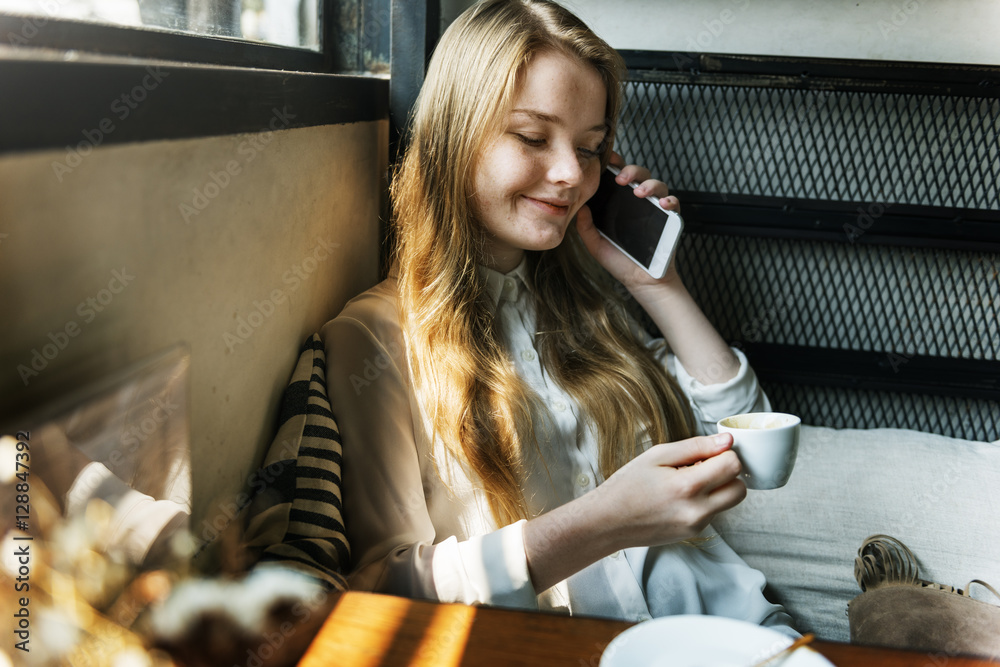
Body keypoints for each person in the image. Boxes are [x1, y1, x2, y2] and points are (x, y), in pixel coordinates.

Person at [322, 0, 796, 633]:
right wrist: (603, 522)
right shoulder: (376, 339)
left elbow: (742, 432)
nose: (573, 174)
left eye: (591, 147)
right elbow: (385, 588)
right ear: (456, 134)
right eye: (532, 137)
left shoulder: (582, 303)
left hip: (739, 631)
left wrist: (659, 285)